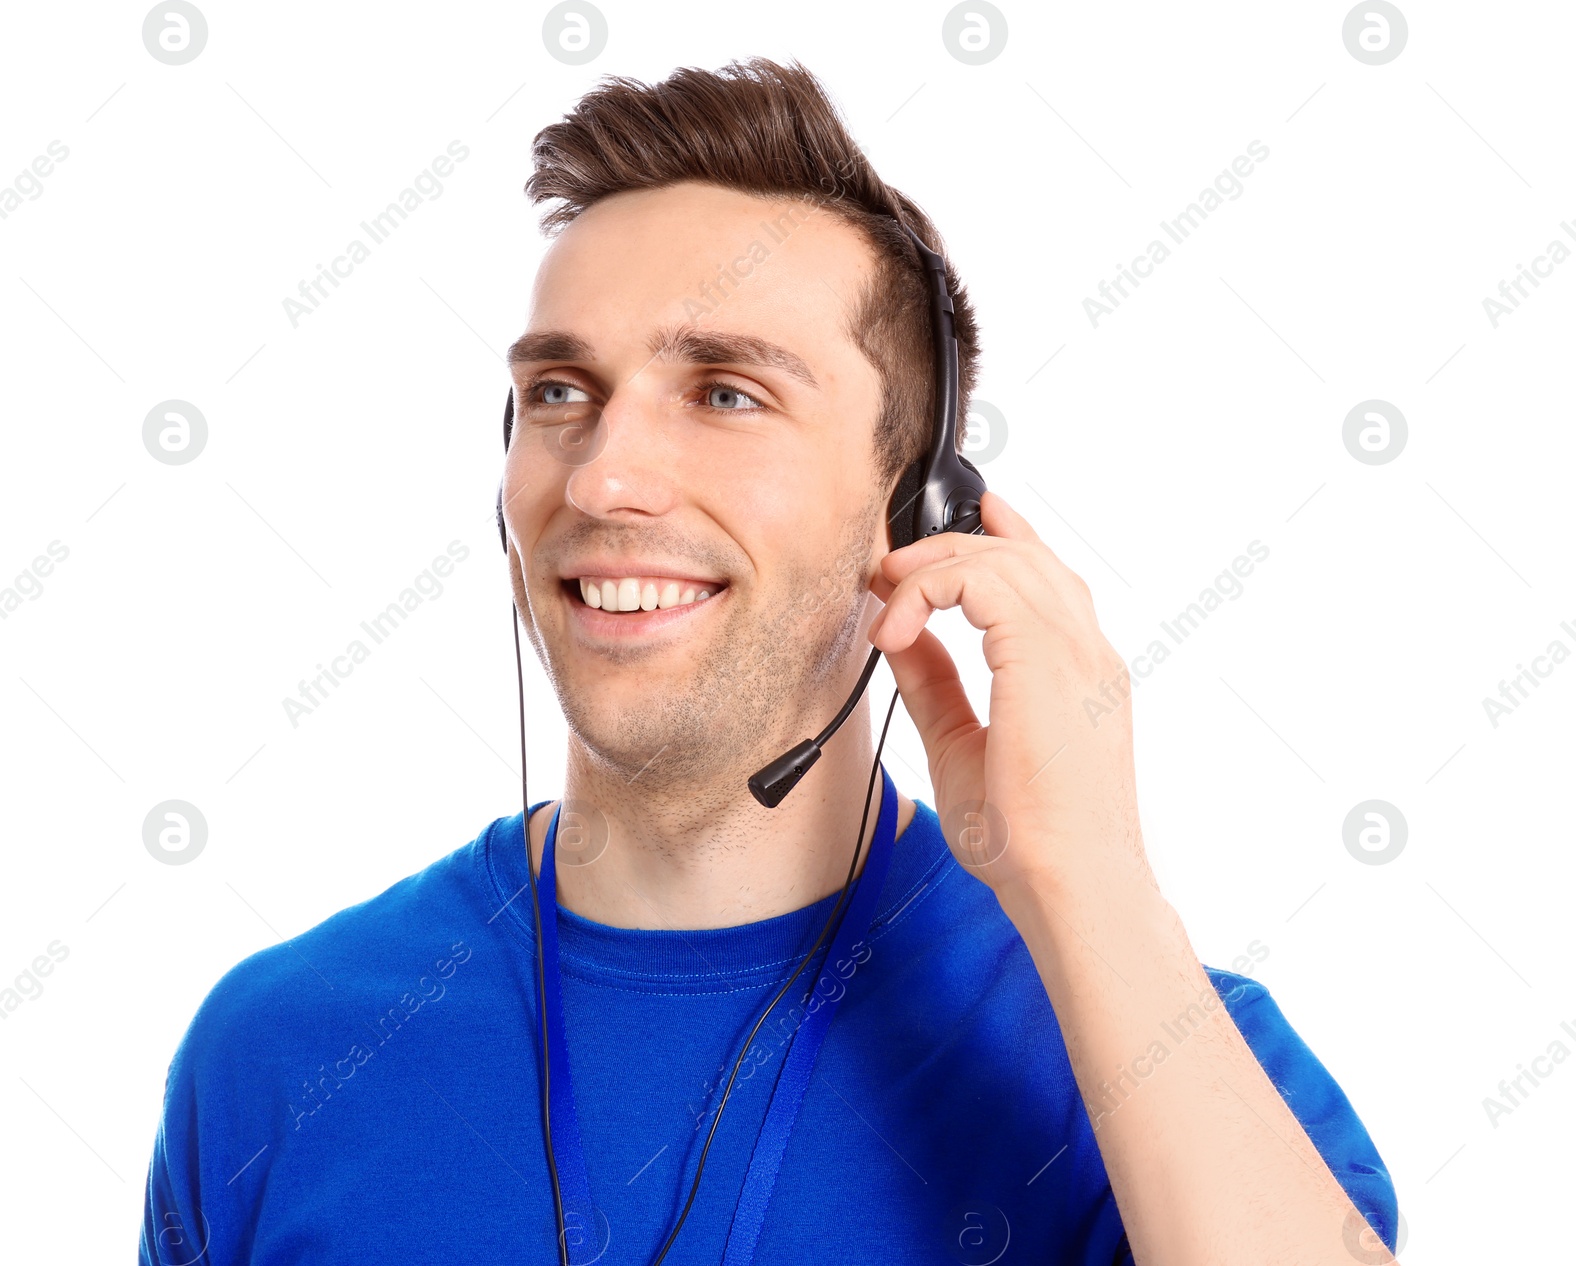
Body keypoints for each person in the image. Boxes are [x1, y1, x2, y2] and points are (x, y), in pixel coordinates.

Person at [140, 58, 1400, 1266]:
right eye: (564, 392)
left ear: (914, 512)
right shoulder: (280, 1051)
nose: (604, 476)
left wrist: (1084, 873)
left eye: (727, 393)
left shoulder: (1161, 1058)